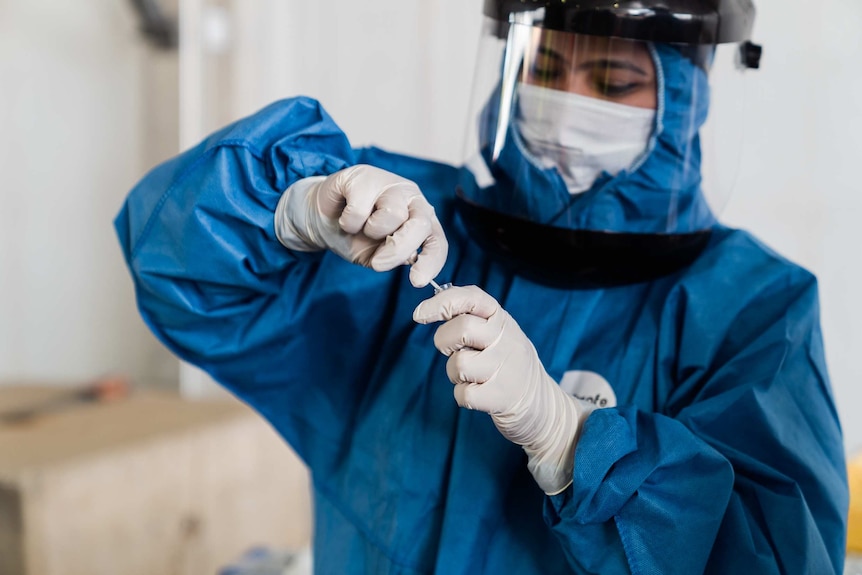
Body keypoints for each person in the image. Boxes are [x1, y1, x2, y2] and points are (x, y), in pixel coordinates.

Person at [115, 1, 850, 573]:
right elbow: (175, 266)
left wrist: (572, 439)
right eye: (544, 65)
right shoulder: (405, 230)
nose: (566, 102)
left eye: (612, 81)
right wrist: (293, 210)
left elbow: (770, 557)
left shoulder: (751, 310)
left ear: (688, 95)